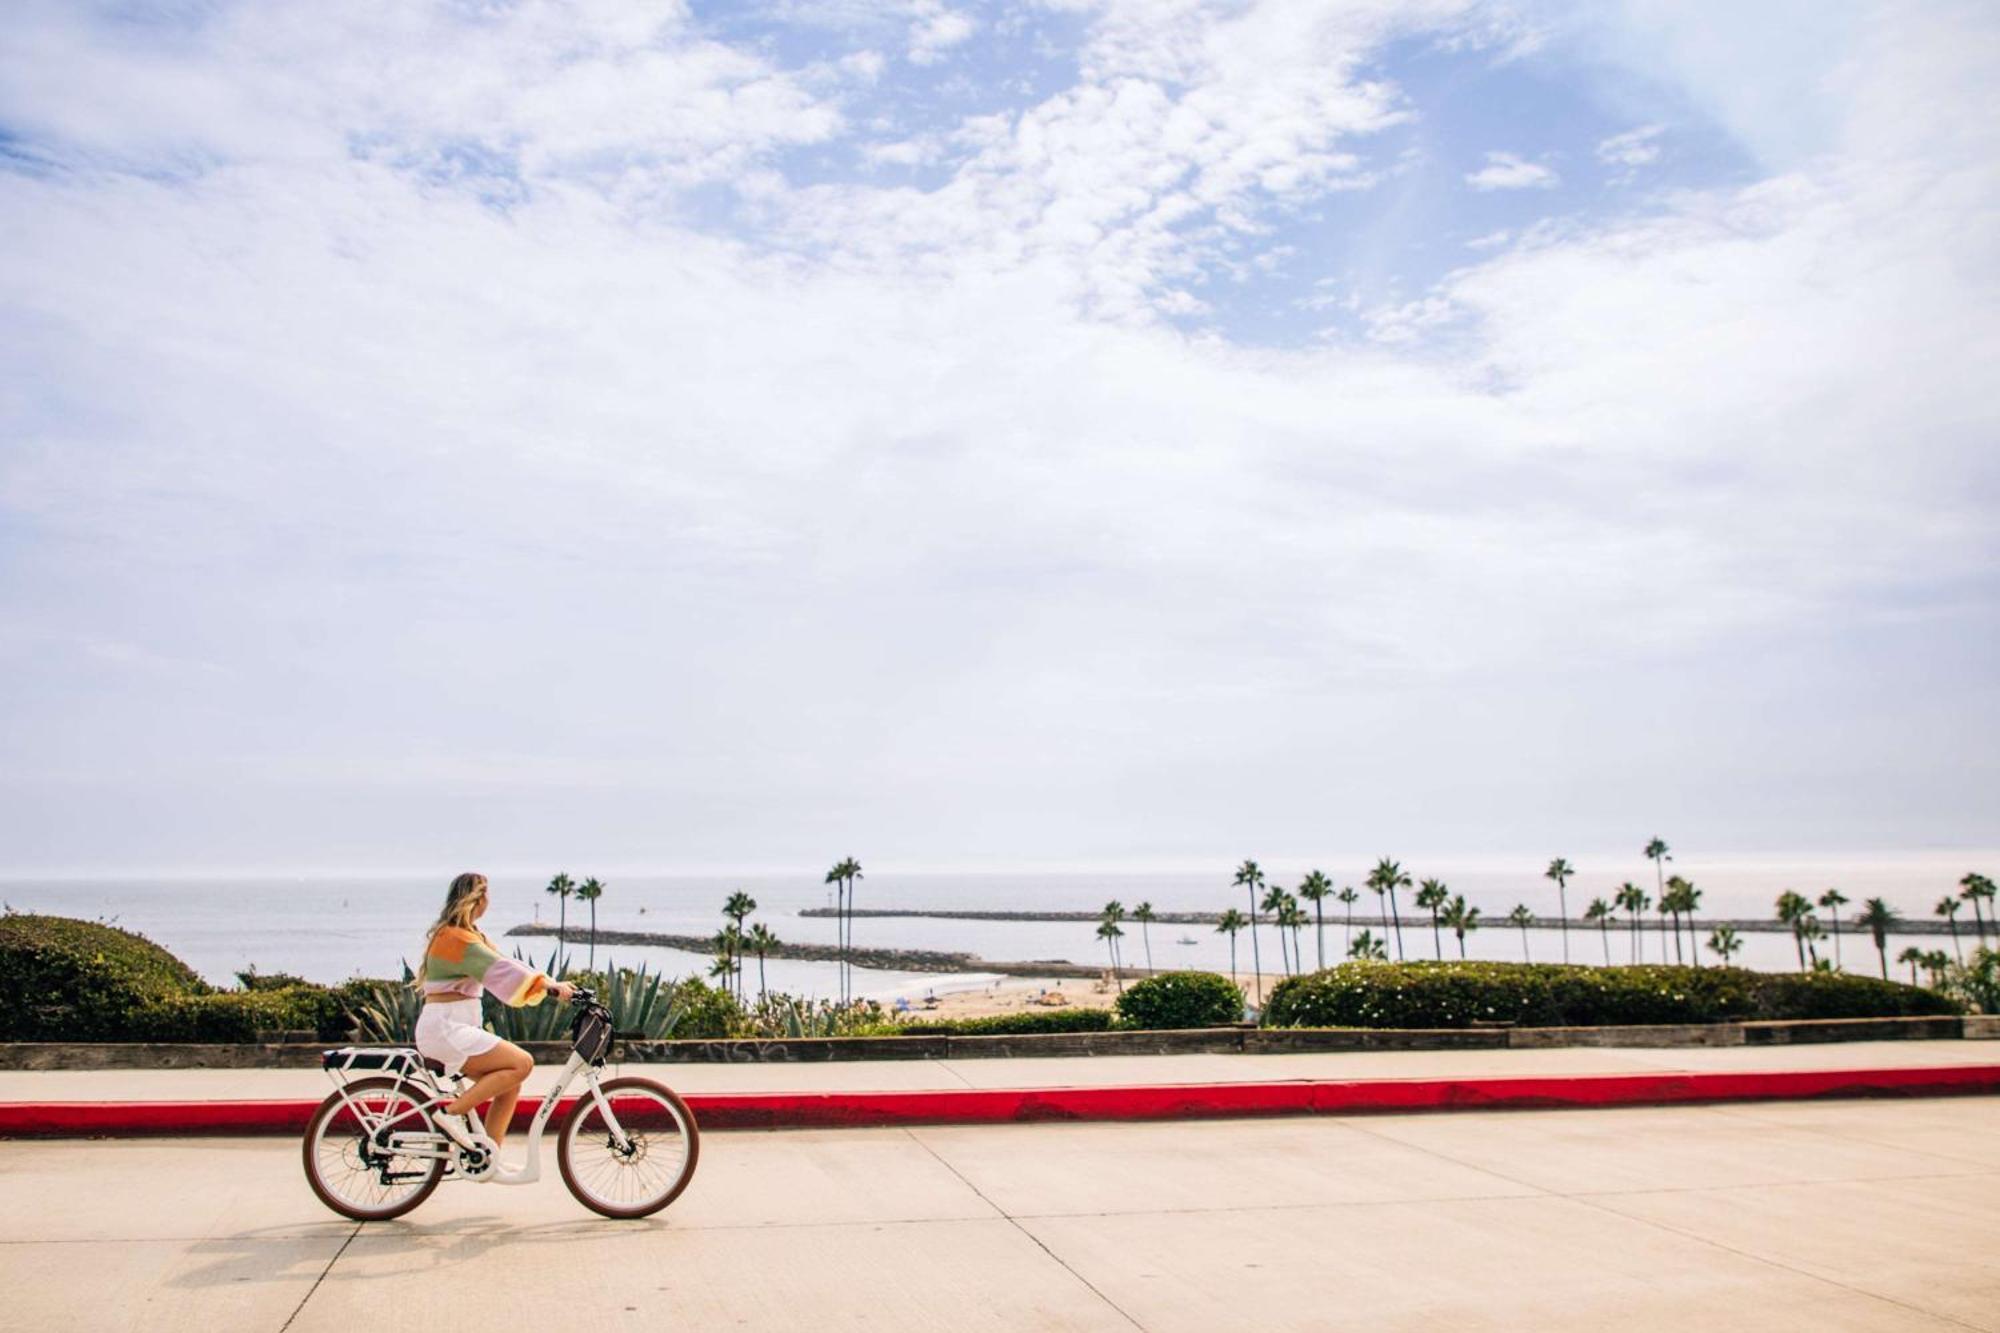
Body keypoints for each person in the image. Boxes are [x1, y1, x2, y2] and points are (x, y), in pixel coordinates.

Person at [415, 872, 573, 1179]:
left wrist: (549, 983)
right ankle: (451, 1114)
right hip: (446, 1029)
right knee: (522, 1063)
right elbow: (502, 970)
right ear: (478, 898)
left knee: (510, 1082)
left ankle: (489, 1159)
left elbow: (508, 966)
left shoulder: (462, 936)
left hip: (450, 1028)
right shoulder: (457, 939)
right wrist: (550, 987)